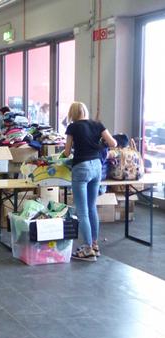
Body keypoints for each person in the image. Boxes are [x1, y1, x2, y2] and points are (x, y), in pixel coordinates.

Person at [63, 101, 117, 261]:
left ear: (72, 114)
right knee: (92, 207)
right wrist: (98, 144)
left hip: (81, 167)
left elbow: (66, 152)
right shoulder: (97, 124)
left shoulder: (72, 127)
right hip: (97, 167)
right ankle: (94, 245)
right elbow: (113, 143)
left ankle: (86, 249)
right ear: (85, 111)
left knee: (82, 211)